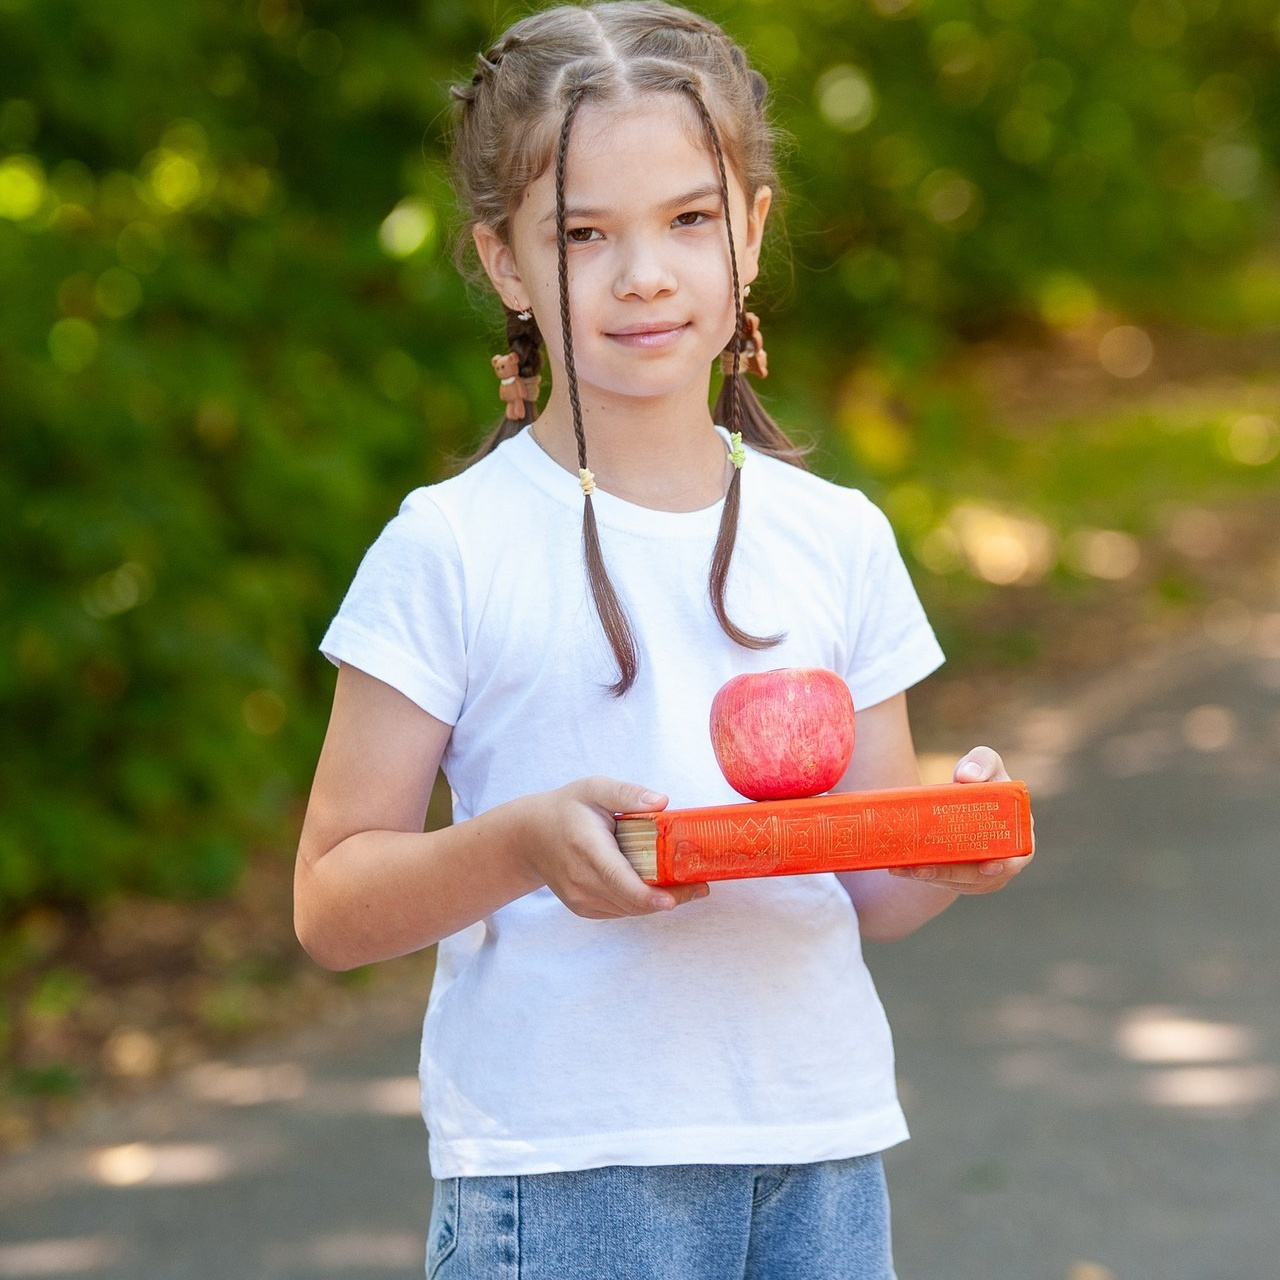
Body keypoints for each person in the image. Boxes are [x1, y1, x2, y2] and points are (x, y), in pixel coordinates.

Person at [293, 3, 1033, 1277]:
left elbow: (869, 892)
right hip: (564, 1171)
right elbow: (331, 901)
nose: (644, 272)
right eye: (584, 234)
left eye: (689, 219)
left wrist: (944, 845)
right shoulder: (450, 547)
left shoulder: (835, 535)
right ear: (506, 264)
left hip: (818, 1145)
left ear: (749, 228)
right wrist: (521, 842)